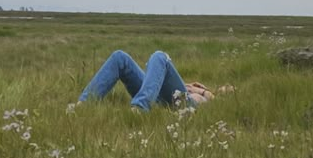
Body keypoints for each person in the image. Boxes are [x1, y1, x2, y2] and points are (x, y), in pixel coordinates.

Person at [76, 50, 234, 112]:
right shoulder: (194, 88)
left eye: (227, 89)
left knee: (161, 56)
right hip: (158, 95)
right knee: (120, 57)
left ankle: (140, 107)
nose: (224, 87)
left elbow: (209, 98)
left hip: (182, 105)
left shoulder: (211, 98)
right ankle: (83, 105)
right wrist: (189, 85)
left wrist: (202, 91)